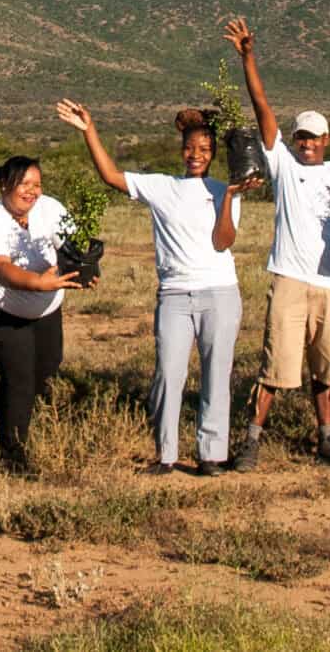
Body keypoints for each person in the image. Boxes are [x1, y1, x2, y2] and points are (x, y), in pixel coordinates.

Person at [59, 98, 244, 475]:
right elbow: (111, 176)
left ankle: (212, 454)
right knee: (168, 373)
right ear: (181, 150)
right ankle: (166, 455)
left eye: (205, 149)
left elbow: (223, 241)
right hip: (175, 294)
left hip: (220, 293)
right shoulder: (162, 187)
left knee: (216, 374)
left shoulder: (225, 190)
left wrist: (232, 197)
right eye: (190, 148)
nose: (196, 155)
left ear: (213, 154)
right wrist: (89, 130)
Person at [230, 20, 330, 465]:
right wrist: (248, 59)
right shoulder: (283, 165)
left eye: (314, 137)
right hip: (292, 278)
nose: (307, 143)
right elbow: (262, 108)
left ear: (326, 140)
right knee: (275, 365)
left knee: (328, 368)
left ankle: (327, 439)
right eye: (302, 136)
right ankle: (252, 441)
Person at [0, 155, 82, 472]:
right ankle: (13, 453)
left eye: (37, 184)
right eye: (24, 184)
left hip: (45, 304)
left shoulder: (51, 209)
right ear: (5, 185)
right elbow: (0, 269)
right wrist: (37, 282)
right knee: (18, 376)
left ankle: (12, 416)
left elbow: (74, 246)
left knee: (46, 365)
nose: (32, 191)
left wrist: (84, 270)